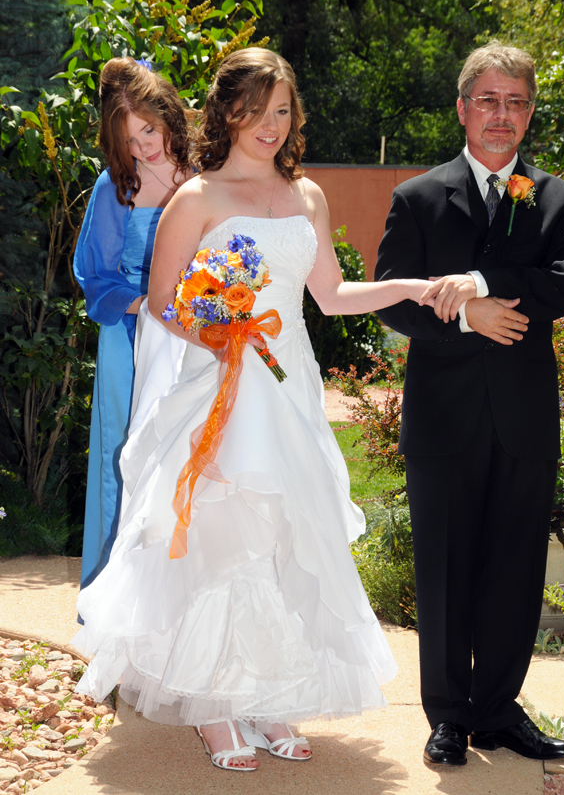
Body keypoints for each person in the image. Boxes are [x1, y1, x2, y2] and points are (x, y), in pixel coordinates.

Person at [72, 47, 464, 772]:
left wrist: (412, 287)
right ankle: (214, 705)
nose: (271, 125)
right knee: (222, 538)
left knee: (281, 536)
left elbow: (331, 296)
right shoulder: (198, 198)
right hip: (222, 384)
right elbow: (163, 300)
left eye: (283, 110)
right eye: (257, 110)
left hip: (289, 386)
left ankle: (265, 693)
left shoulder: (307, 195)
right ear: (227, 112)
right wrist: (220, 335)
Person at [375, 41, 564, 767]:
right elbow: (393, 299)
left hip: (524, 418)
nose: (503, 115)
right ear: (463, 109)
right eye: (489, 100)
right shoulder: (418, 198)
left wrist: (481, 282)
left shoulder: (559, 200)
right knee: (443, 570)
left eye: (516, 102)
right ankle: (447, 716)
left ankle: (498, 711)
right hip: (443, 417)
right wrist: (467, 316)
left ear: (530, 113)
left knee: (514, 570)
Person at [74, 57, 197, 591]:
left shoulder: (206, 172)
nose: (143, 148)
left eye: (148, 130)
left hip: (200, 338)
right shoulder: (114, 188)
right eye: (128, 140)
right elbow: (95, 278)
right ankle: (113, 596)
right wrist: (154, 305)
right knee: (125, 455)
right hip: (129, 338)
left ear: (167, 113)